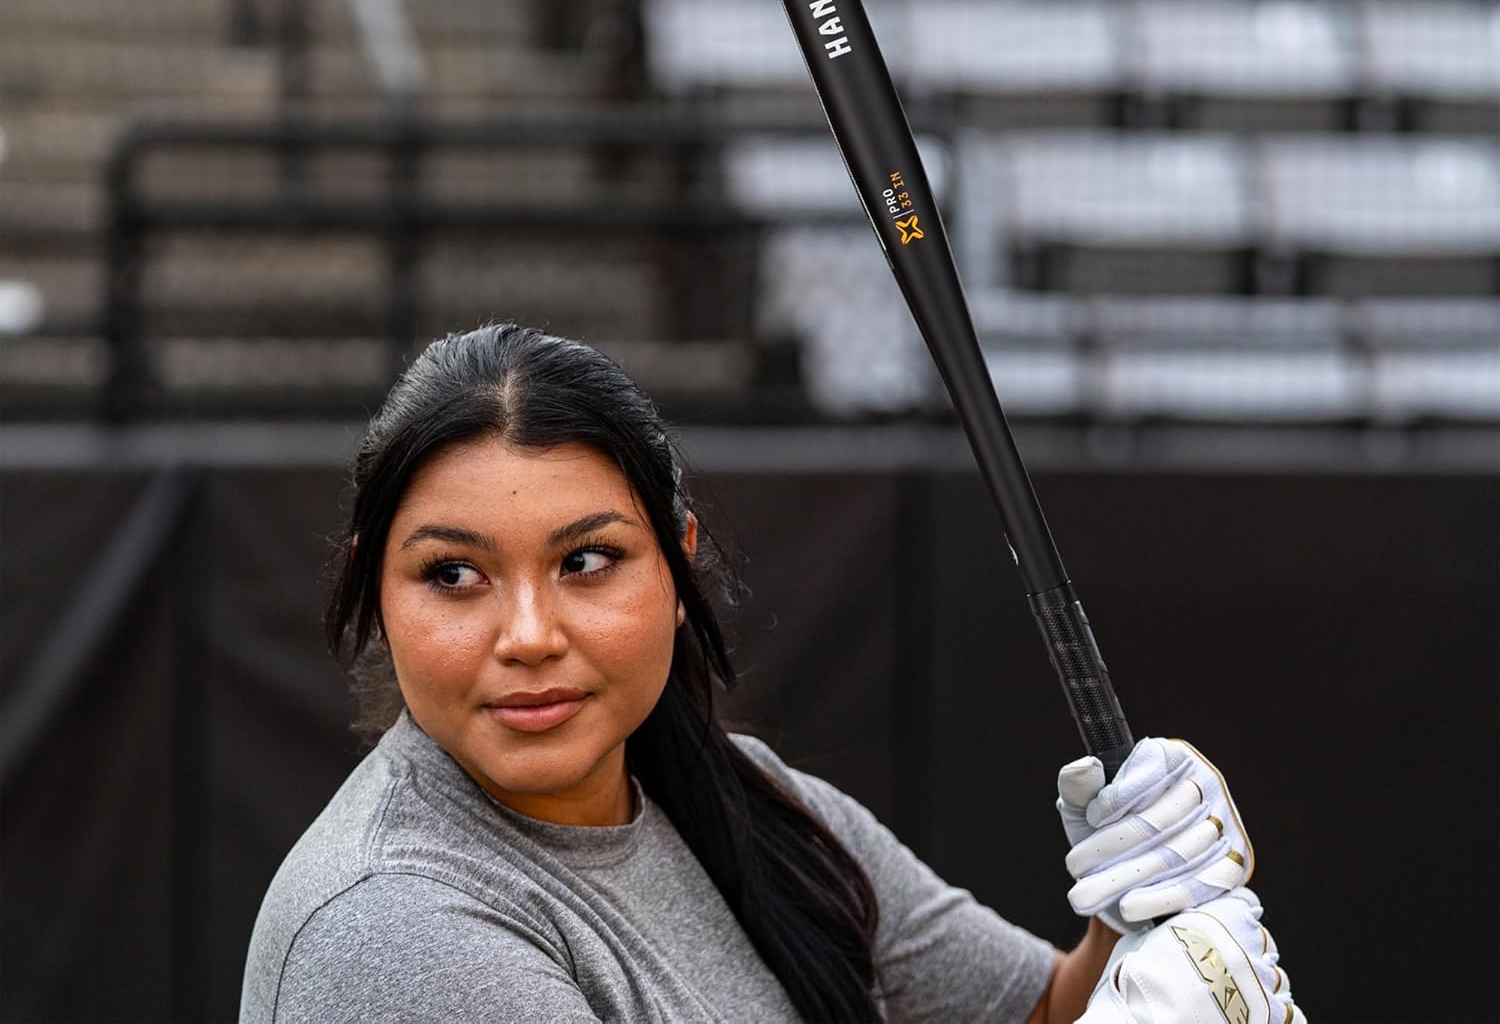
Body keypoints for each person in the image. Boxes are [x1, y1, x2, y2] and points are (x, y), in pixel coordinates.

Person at [241, 323, 1303, 1023]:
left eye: (587, 561)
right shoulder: (388, 930)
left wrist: (1138, 920)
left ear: (678, 560)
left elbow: (1039, 1010)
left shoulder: (751, 801)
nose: (526, 632)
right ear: (376, 590)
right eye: (455, 573)